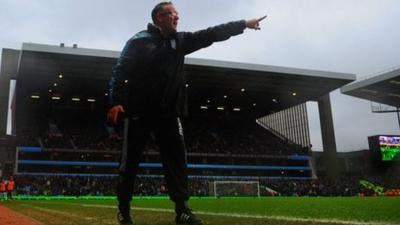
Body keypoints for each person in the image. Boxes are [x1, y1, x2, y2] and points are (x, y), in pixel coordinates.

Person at [108, 2, 266, 225]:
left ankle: (182, 210)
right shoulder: (138, 41)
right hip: (138, 112)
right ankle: (124, 211)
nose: (176, 17)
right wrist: (116, 101)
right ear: (157, 18)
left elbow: (211, 34)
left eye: (177, 14)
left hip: (170, 114)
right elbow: (119, 71)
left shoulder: (180, 40)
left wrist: (243, 24)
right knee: (130, 162)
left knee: (176, 161)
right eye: (170, 13)